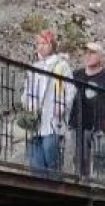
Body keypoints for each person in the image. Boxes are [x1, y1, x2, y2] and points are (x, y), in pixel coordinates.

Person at [22, 30, 74, 175]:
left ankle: (55, 193)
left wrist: (62, 105)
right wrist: (28, 105)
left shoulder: (61, 66)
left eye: (44, 43)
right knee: (36, 166)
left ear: (51, 45)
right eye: (38, 43)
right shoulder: (34, 67)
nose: (40, 46)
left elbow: (70, 90)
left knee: (52, 163)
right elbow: (27, 91)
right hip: (35, 123)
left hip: (53, 122)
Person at [68, 42, 105, 177]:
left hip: (99, 124)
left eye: (92, 53)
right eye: (86, 52)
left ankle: (98, 190)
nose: (88, 56)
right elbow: (66, 94)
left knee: (100, 160)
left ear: (100, 57)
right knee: (80, 161)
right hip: (78, 124)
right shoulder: (76, 74)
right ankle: (81, 189)